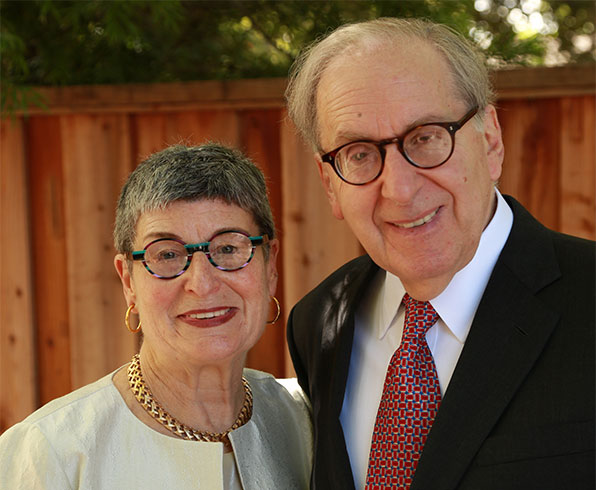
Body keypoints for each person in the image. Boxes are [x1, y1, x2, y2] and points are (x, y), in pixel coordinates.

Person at [284, 17, 594, 490]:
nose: (401, 190)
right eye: (360, 153)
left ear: (490, 140)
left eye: (426, 137)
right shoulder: (316, 323)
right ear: (330, 183)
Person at [0, 143, 312, 489]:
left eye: (227, 248)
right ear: (128, 281)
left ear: (271, 266)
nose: (202, 284)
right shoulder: (50, 451)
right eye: (166, 254)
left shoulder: (302, 422)